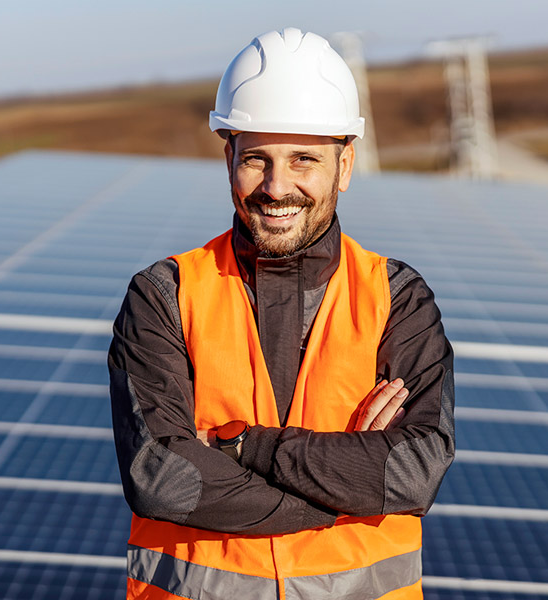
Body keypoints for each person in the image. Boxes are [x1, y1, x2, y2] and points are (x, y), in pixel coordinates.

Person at [109, 27, 455, 600]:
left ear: (344, 167)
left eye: (304, 160)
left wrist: (246, 448)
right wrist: (344, 485)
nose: (277, 186)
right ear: (228, 159)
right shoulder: (164, 294)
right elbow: (163, 480)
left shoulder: (397, 296)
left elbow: (412, 473)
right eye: (256, 160)